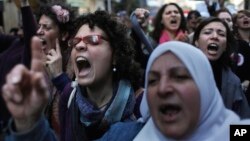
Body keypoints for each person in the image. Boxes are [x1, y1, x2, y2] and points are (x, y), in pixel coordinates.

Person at [2, 10, 143, 141]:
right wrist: (29, 123)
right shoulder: (68, 97)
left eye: (93, 40)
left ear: (115, 55)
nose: (80, 46)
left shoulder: (141, 104)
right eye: (75, 42)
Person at [99, 41, 250, 141]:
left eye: (179, 77)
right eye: (152, 81)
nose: (163, 89)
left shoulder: (237, 133)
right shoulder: (125, 135)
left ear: (205, 88)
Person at [192, 17, 250, 118]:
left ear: (226, 46)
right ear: (196, 41)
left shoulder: (233, 82)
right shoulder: (179, 73)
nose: (215, 36)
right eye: (207, 32)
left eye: (221, 34)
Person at [233, 10, 250, 105]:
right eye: (241, 17)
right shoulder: (232, 44)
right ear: (235, 23)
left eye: (248, 16)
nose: (246, 18)